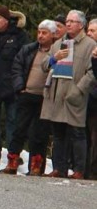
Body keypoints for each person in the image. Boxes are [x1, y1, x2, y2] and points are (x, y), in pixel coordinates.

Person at [40, 10, 97, 179]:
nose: (69, 24)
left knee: (77, 133)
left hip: (74, 96)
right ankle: (59, 168)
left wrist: (79, 90)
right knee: (58, 134)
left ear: (81, 25)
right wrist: (53, 58)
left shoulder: (90, 45)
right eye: (67, 21)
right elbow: (44, 65)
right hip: (57, 95)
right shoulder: (58, 44)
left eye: (72, 21)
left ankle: (79, 169)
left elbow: (92, 72)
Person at [0, 20, 56, 176]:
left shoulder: (57, 52)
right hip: (26, 94)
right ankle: (12, 162)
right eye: (39, 32)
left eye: (44, 33)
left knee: (39, 134)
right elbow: (16, 67)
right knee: (19, 130)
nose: (40, 35)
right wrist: (19, 88)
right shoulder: (28, 49)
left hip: (44, 98)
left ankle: (36, 166)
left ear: (53, 35)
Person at [0, 5, 29, 165]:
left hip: (12, 85)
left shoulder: (19, 36)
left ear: (6, 20)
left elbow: (25, 60)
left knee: (13, 121)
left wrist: (21, 82)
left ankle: (13, 153)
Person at [87, 19, 97, 179]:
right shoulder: (92, 50)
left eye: (93, 31)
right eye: (88, 30)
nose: (89, 34)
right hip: (91, 101)